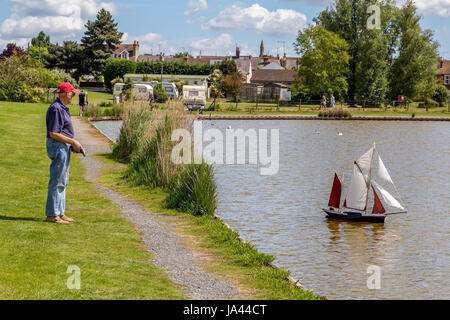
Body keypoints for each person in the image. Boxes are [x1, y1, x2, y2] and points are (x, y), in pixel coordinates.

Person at [45, 82, 84, 224]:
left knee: (63, 181)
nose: (73, 96)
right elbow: (53, 133)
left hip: (63, 146)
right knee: (57, 181)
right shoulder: (56, 109)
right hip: (58, 146)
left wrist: (71, 144)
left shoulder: (62, 108)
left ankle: (60, 213)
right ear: (64, 94)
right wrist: (73, 142)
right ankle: (52, 215)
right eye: (72, 93)